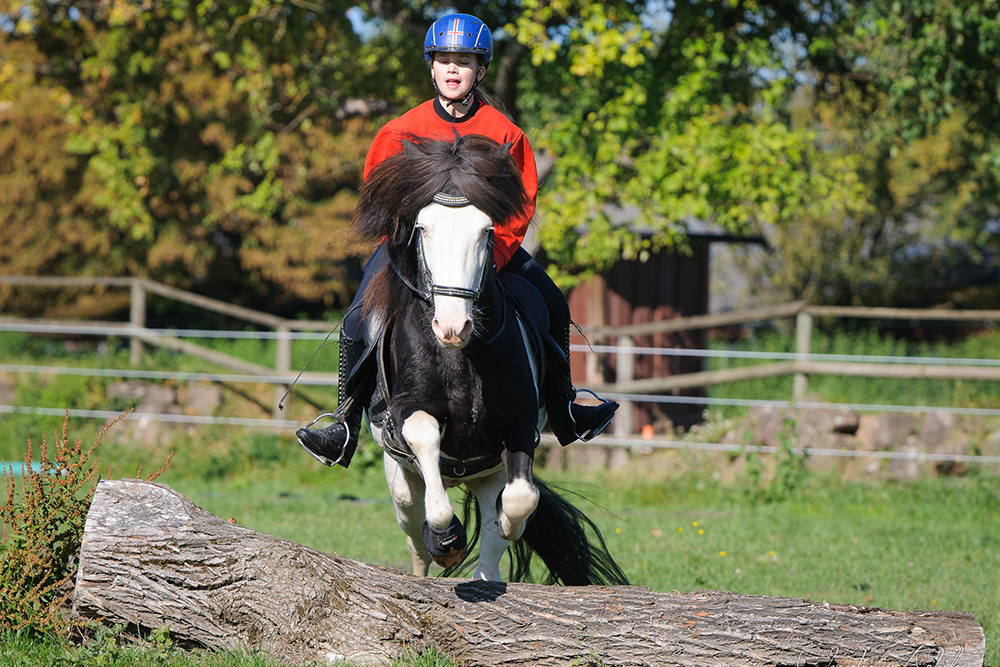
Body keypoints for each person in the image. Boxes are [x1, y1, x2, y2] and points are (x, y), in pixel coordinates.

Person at [297, 13, 617, 467]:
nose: (452, 69)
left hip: (487, 253)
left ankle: (565, 409)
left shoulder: (505, 134)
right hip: (411, 254)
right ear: (430, 68)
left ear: (480, 70)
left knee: (553, 301)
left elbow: (522, 201)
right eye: (443, 60)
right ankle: (345, 422)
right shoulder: (398, 131)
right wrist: (410, 251)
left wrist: (494, 254)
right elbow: (377, 196)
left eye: (463, 61)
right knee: (356, 315)